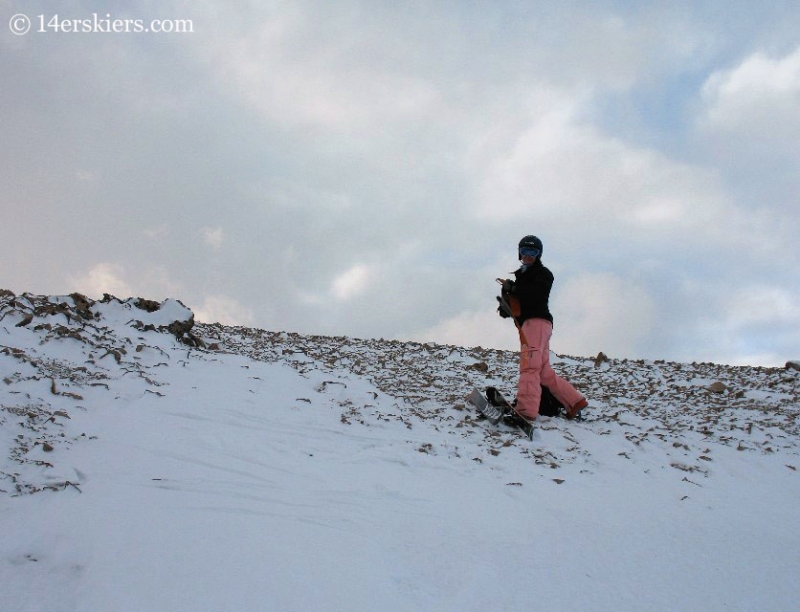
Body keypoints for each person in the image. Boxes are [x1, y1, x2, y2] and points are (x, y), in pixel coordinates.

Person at [499, 235, 587, 420]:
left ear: (539, 254)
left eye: (533, 252)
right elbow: (519, 304)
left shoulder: (544, 274)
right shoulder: (522, 276)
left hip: (536, 324)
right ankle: (574, 401)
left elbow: (535, 295)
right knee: (544, 372)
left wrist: (514, 290)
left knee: (529, 367)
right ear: (519, 253)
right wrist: (506, 305)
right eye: (525, 251)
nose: (528, 255)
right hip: (535, 325)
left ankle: (525, 411)